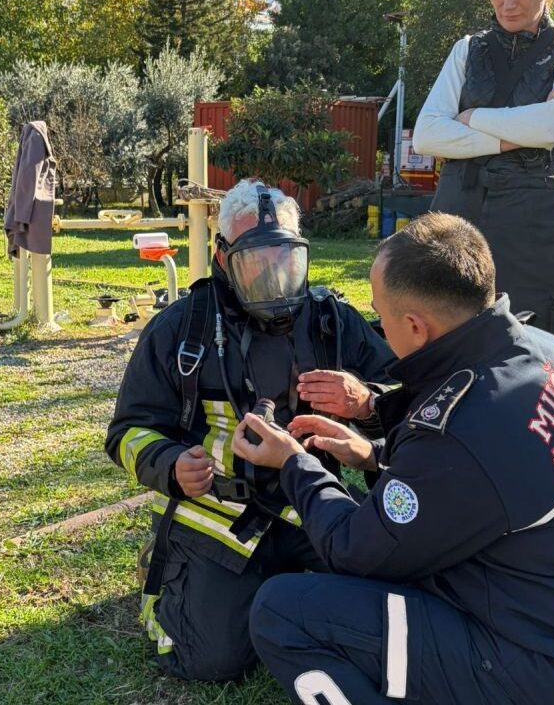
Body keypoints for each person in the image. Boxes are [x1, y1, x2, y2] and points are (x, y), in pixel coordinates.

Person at [236, 212, 554, 705]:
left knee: (282, 611)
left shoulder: (463, 432)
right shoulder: (548, 352)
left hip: (518, 665)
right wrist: (371, 451)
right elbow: (480, 478)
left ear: (414, 324)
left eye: (380, 313)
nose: (378, 324)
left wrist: (292, 463)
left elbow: (355, 549)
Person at [105, 178, 393, 681]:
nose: (274, 274)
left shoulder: (335, 323)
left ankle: (282, 579)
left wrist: (367, 401)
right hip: (219, 512)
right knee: (210, 661)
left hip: (312, 501)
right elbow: (128, 431)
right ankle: (171, 571)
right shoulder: (180, 329)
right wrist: (171, 466)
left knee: (389, 596)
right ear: (223, 259)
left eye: (285, 258)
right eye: (254, 260)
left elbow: (407, 393)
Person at [413, 0, 554, 346]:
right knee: (445, 351)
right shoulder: (467, 49)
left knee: (534, 357)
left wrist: (472, 114)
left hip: (536, 228)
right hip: (456, 222)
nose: (508, 2)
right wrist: (517, 132)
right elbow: (427, 134)